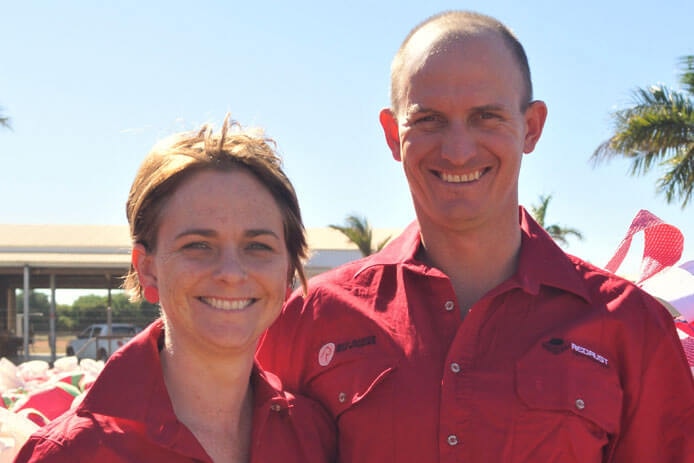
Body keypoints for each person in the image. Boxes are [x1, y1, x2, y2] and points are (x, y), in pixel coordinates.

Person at [257, 10, 694, 463]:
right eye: (429, 120)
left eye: (486, 117)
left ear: (532, 127)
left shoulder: (631, 326)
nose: (458, 150)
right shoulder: (311, 320)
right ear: (392, 134)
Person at [14, 115, 336, 463]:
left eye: (258, 246)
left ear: (288, 270)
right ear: (147, 269)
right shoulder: (70, 453)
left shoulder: (313, 437)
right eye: (198, 245)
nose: (231, 273)